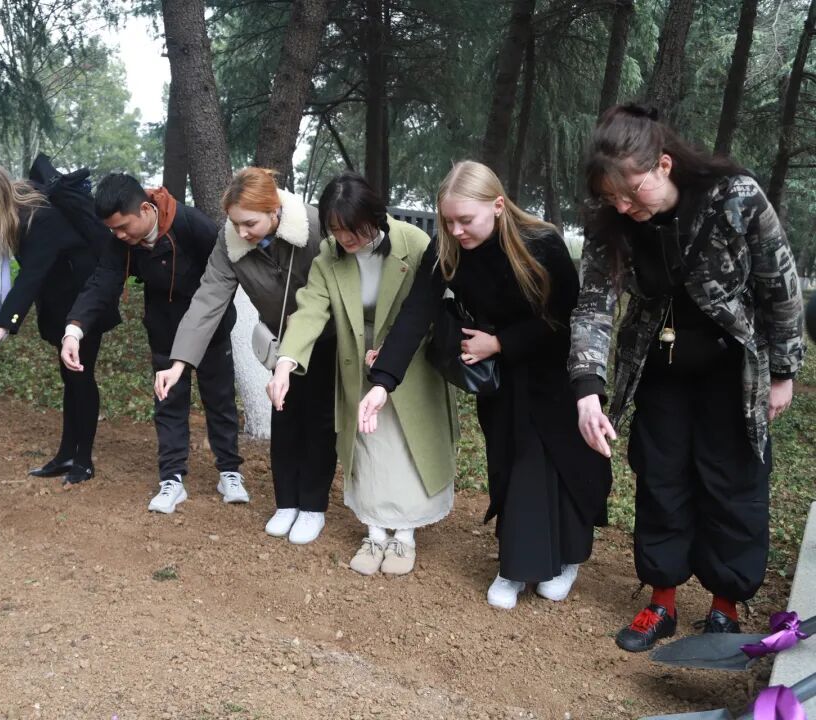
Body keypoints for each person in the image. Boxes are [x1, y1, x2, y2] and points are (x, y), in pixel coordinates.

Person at [571, 104, 805, 651]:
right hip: (660, 369)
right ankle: (662, 600)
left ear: (664, 164)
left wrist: (784, 371)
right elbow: (594, 305)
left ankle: (725, 608)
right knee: (660, 478)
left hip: (733, 370)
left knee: (733, 483)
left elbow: (781, 285)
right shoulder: (611, 223)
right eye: (611, 197)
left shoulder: (735, 198)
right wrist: (587, 387)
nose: (623, 207)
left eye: (631, 192)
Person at [360, 161, 612, 607]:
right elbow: (416, 313)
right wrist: (382, 383)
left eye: (465, 220)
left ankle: (566, 559)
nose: (455, 230)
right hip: (501, 381)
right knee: (512, 464)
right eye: (447, 221)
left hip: (553, 371)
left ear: (497, 205)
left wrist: (501, 342)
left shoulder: (542, 243)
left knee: (559, 464)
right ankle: (515, 568)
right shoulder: (446, 250)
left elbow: (567, 319)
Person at [267, 172, 458, 575]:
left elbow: (433, 307)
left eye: (352, 229)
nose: (345, 239)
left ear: (374, 216)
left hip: (410, 357)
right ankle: (374, 532)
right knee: (367, 444)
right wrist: (285, 363)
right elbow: (310, 309)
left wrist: (393, 350)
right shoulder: (328, 255)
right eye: (335, 230)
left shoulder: (413, 243)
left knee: (406, 446)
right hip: (357, 358)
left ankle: (404, 535)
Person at [154, 167, 336, 545]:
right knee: (283, 417)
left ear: (274, 210)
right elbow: (208, 299)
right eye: (235, 223)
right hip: (280, 341)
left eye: (250, 223)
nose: (241, 233)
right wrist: (178, 363)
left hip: (326, 335)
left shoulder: (315, 225)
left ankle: (313, 506)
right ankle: (287, 503)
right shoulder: (230, 241)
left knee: (319, 420)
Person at [60, 173, 247, 513]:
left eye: (122, 227)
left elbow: (226, 278)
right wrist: (74, 330)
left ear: (145, 210)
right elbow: (103, 282)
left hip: (210, 330)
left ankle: (229, 472)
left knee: (219, 401)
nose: (119, 235)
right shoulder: (121, 242)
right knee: (168, 403)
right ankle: (172, 479)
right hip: (164, 331)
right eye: (112, 230)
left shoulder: (192, 225)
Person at [0, 159, 108, 486]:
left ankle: (83, 460)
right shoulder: (17, 212)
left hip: (84, 303)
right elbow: (36, 276)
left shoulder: (40, 217)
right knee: (70, 378)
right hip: (58, 301)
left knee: (81, 377)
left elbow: (30, 277)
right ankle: (66, 454)